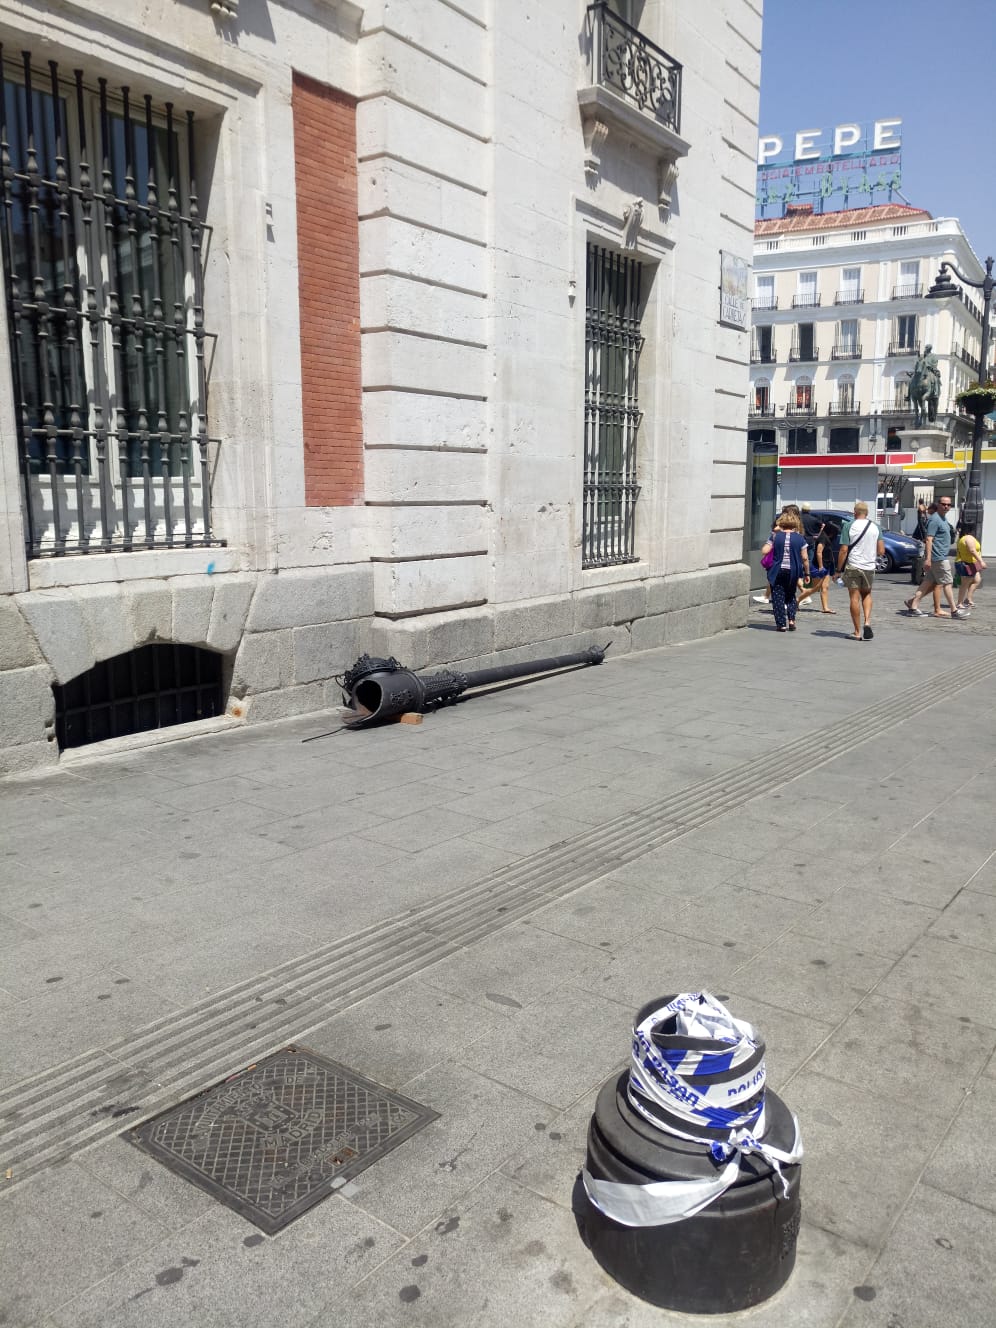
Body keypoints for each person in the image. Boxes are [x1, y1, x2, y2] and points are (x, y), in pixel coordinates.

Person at [904, 496, 965, 618]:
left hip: (939, 556)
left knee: (927, 583)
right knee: (947, 582)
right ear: (938, 504)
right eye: (943, 504)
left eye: (949, 505)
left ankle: (913, 605)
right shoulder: (935, 520)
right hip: (939, 557)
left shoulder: (942, 519)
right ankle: (954, 610)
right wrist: (928, 559)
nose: (946, 506)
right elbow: (929, 539)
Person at [838, 500, 884, 640]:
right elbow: (881, 550)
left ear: (855, 512)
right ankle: (867, 622)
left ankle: (857, 632)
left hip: (853, 565)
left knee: (854, 597)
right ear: (867, 513)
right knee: (867, 594)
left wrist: (838, 569)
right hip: (869, 566)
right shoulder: (876, 527)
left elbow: (844, 550)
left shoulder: (848, 526)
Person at [761, 512, 809, 632]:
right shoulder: (800, 538)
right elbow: (805, 558)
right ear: (795, 523)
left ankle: (781, 624)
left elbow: (764, 550)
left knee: (778, 597)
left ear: (781, 522)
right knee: (791, 595)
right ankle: (791, 620)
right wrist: (807, 573)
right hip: (793, 571)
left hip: (778, 570)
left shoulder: (775, 536)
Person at [795, 522, 836, 613]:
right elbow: (818, 552)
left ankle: (825, 608)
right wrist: (821, 566)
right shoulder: (823, 538)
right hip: (819, 567)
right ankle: (797, 600)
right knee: (814, 588)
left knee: (825, 587)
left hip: (826, 566)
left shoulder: (825, 537)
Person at [955, 524, 986, 613]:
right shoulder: (968, 538)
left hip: (971, 563)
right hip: (965, 563)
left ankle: (968, 599)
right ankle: (959, 603)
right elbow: (972, 550)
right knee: (965, 583)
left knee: (977, 580)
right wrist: (981, 561)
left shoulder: (967, 538)